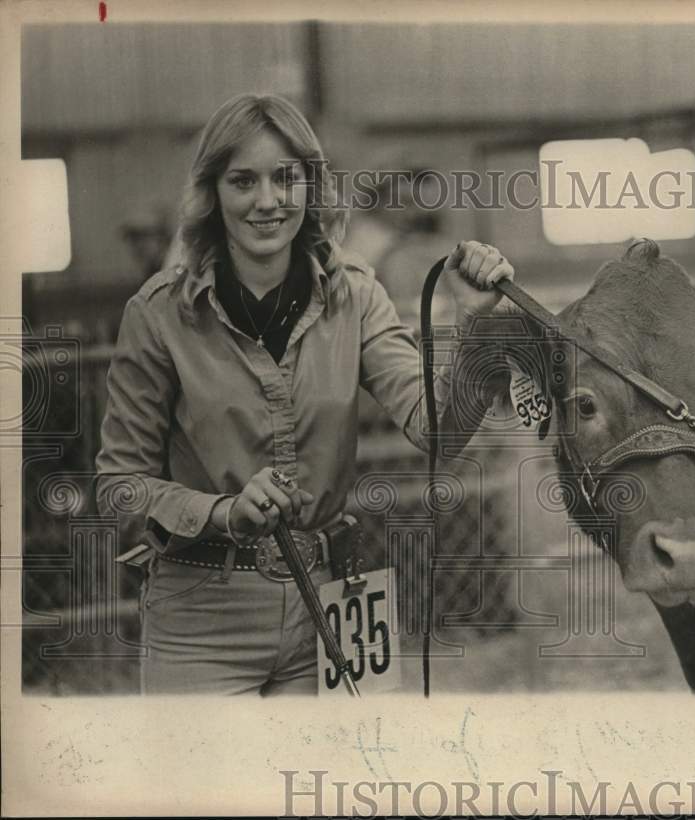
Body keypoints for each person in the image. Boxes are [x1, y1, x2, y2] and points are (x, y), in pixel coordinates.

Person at [94, 93, 513, 695]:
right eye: (243, 181)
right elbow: (119, 488)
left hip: (337, 598)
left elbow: (438, 431)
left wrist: (473, 325)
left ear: (311, 187)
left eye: (285, 178)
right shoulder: (159, 313)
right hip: (201, 620)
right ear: (212, 192)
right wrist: (220, 511)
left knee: (334, 787)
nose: (267, 201)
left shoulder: (359, 296)